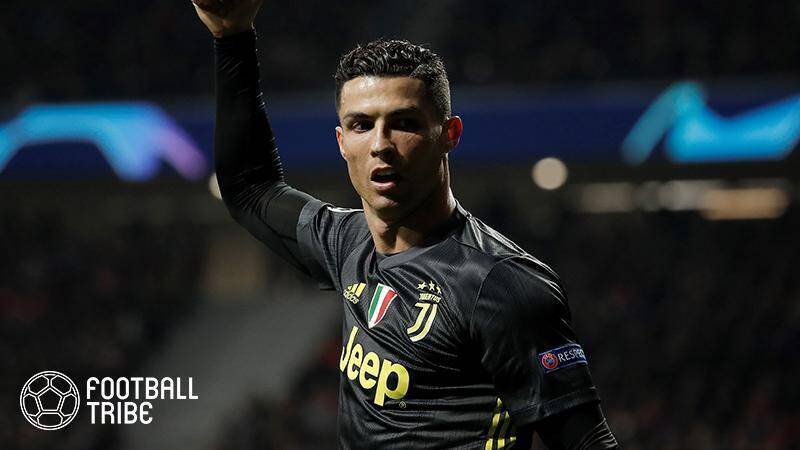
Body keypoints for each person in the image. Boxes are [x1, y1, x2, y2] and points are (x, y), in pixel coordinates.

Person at [192, 0, 618, 448]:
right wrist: (232, 37)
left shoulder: (500, 284)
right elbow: (249, 188)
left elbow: (589, 442)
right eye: (361, 125)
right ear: (341, 142)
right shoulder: (347, 242)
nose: (381, 144)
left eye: (404, 123)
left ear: (449, 135)